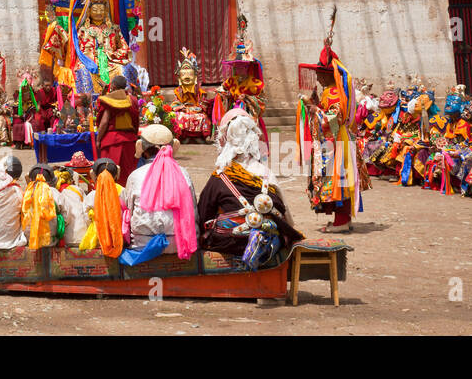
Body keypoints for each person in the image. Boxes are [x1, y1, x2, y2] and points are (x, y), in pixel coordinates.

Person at [198, 110, 302, 267]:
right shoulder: (268, 174)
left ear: (226, 140)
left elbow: (203, 214)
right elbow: (286, 216)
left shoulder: (219, 177)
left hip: (230, 244)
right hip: (267, 243)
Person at [298, 35, 362, 233]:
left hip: (335, 143)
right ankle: (342, 218)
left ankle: (341, 220)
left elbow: (332, 119)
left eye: (320, 74)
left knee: (337, 180)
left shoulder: (334, 93)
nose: (317, 77)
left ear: (328, 75)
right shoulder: (330, 92)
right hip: (333, 143)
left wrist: (313, 109)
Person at [120, 124, 197, 263]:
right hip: (179, 244)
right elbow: (193, 212)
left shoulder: (135, 176)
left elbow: (129, 211)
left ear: (144, 150)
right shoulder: (184, 173)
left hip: (143, 245)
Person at [95, 75, 139, 186]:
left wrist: (98, 139)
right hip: (129, 140)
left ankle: (110, 196)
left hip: (111, 141)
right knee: (127, 173)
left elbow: (104, 122)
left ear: (113, 86)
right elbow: (136, 121)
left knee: (109, 173)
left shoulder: (109, 99)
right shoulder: (132, 100)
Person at [79, 158, 124, 257]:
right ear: (116, 175)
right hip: (120, 239)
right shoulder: (123, 192)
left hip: (99, 239)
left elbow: (86, 219)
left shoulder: (91, 196)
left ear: (94, 176)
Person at [166, 49, 213, 142]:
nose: (186, 77)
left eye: (190, 74)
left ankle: (199, 137)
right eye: (183, 74)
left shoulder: (199, 91)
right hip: (183, 111)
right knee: (177, 116)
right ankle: (182, 137)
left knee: (203, 117)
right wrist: (182, 108)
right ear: (179, 77)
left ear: (195, 77)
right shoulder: (178, 91)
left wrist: (195, 109)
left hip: (196, 112)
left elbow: (204, 105)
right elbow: (174, 105)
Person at [20, 165, 63, 249]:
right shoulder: (55, 193)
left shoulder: (26, 193)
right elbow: (65, 216)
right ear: (52, 180)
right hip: (50, 240)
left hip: (30, 239)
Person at [57, 152, 92, 246]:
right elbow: (86, 209)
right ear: (72, 180)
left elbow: (65, 218)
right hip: (83, 236)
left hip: (67, 238)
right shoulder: (78, 189)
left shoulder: (57, 192)